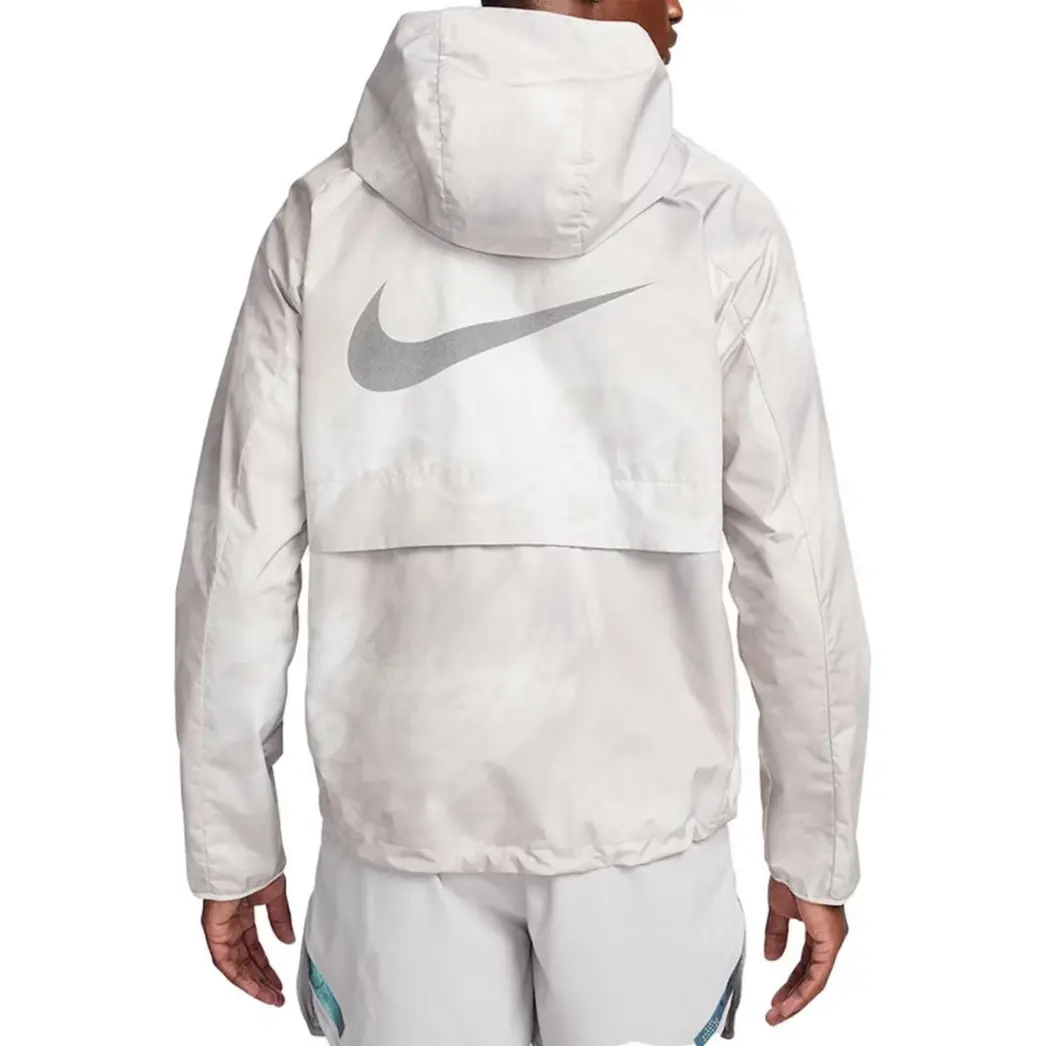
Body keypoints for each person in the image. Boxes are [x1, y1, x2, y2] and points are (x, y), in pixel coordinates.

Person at [175, 2, 870, 1044]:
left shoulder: (326, 219)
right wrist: (814, 845)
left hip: (399, 838)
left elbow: (240, 554)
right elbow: (795, 563)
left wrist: (233, 841)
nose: (679, 5)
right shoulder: (718, 224)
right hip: (644, 847)